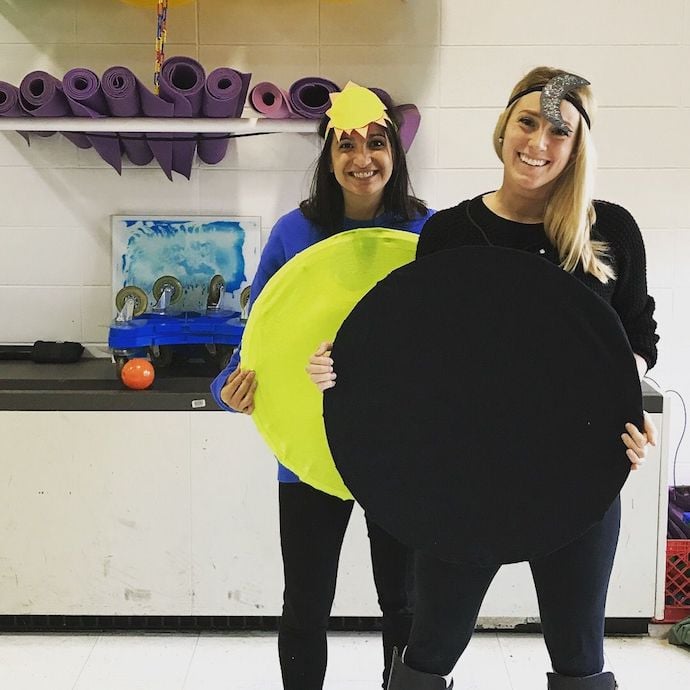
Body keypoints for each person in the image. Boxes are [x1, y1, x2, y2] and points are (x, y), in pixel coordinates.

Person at [308, 67, 659, 690]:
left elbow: (636, 341)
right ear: (504, 129)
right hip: (462, 474)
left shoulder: (609, 232)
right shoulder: (451, 232)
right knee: (431, 644)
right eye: (528, 122)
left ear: (578, 146)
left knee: (580, 653)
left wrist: (621, 407)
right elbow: (420, 352)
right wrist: (353, 359)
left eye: (560, 129)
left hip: (577, 472)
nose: (539, 141)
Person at [210, 82, 434, 690]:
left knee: (407, 606)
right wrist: (230, 386)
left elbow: (453, 341)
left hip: (402, 451)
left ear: (396, 151)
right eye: (346, 144)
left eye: (377, 141)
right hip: (310, 451)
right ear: (327, 157)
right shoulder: (293, 232)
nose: (363, 157)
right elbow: (260, 335)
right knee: (306, 604)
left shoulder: (430, 231)